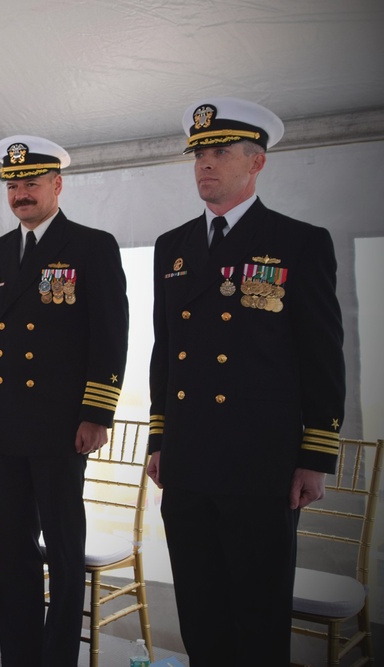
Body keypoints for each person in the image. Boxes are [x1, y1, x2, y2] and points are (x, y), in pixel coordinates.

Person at [147, 97, 346, 664]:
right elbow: (167, 355)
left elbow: (322, 356)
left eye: (220, 152)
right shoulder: (173, 247)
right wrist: (160, 440)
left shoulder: (298, 242)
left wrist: (315, 456)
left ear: (256, 162)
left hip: (261, 463)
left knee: (257, 619)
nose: (205, 164)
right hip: (187, 462)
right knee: (201, 614)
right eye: (199, 154)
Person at [0, 135, 129, 666]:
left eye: (32, 183)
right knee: (12, 547)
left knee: (61, 550)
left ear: (57, 184)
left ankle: (58, 657)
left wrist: (97, 413)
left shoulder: (90, 245)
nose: (21, 193)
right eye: (13, 184)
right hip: (7, 424)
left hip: (61, 426)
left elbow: (110, 334)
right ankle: (19, 654)